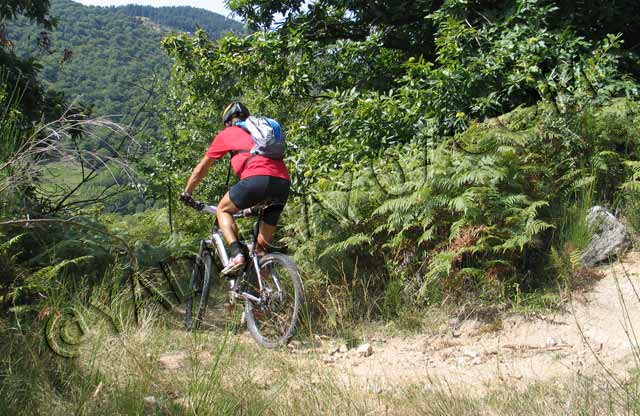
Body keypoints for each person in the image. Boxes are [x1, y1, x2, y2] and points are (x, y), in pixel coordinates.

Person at [178, 102, 290, 275]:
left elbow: (201, 168)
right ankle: (265, 296)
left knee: (223, 210)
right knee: (259, 254)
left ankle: (237, 254)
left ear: (228, 121)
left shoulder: (228, 133)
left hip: (256, 178)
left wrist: (187, 192)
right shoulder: (260, 133)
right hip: (282, 183)